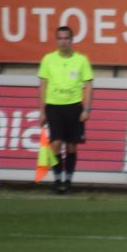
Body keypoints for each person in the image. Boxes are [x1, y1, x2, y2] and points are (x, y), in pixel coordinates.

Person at [37, 26, 93, 194]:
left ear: (71, 40)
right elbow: (43, 86)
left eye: (66, 38)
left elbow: (89, 85)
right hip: (54, 106)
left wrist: (87, 109)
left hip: (74, 106)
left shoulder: (81, 60)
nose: (63, 42)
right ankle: (57, 180)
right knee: (55, 143)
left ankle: (68, 182)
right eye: (60, 38)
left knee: (71, 146)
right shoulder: (48, 59)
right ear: (56, 40)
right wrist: (42, 110)